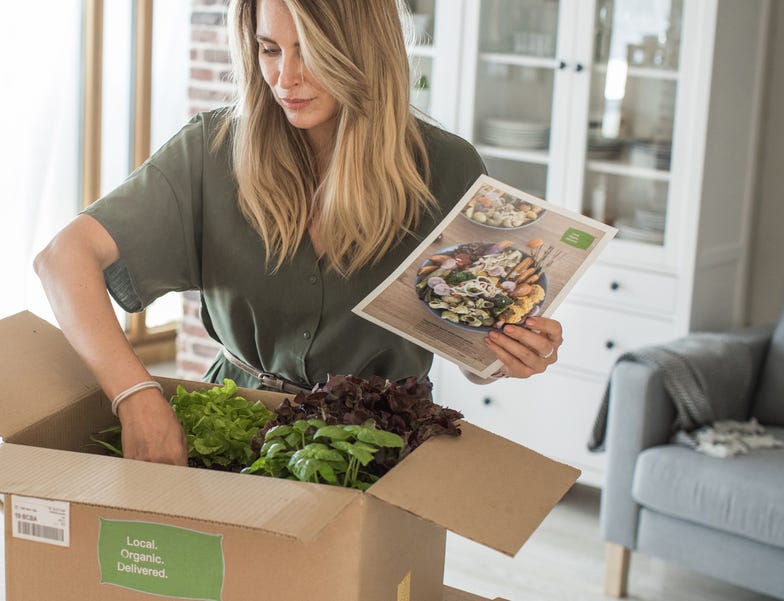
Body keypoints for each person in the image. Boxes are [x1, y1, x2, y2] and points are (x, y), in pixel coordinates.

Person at [34, 0, 563, 466]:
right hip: (233, 433)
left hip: (381, 451)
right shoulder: (211, 149)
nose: (285, 78)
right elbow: (63, 259)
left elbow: (473, 348)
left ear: (361, 53)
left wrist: (504, 356)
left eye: (309, 50)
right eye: (269, 49)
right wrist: (135, 394)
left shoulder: (447, 167)